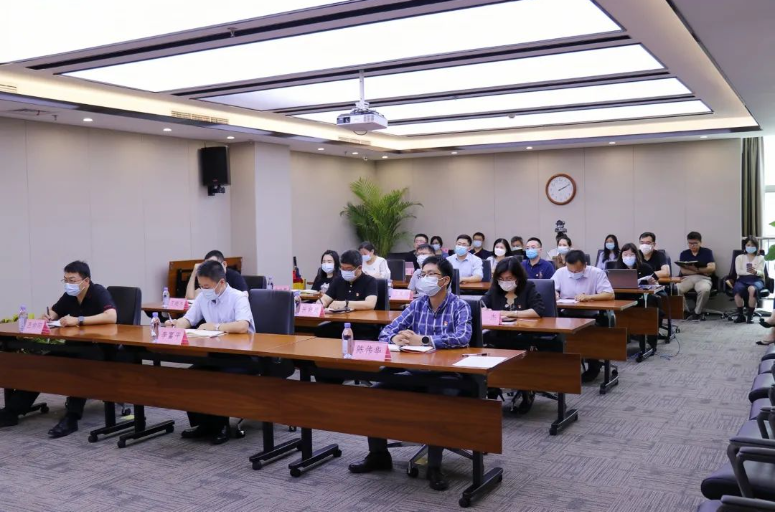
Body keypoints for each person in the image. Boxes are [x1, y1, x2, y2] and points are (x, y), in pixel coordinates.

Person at [348, 256, 471, 492]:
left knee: (435, 403)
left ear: (445, 280)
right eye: (422, 274)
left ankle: (434, 466)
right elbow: (386, 331)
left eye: (431, 274)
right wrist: (395, 337)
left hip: (445, 375)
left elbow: (462, 336)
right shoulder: (417, 304)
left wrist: (423, 340)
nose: (424, 278)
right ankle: (379, 455)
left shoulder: (460, 306)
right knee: (373, 396)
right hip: (414, 371)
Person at [0, 261, 117, 436]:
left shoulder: (98, 292)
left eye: (72, 280)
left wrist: (78, 320)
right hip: (73, 346)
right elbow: (54, 312)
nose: (69, 284)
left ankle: (72, 417)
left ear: (86, 281)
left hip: (98, 348)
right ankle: (11, 412)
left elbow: (112, 316)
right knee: (43, 366)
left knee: (80, 369)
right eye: (65, 280)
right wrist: (47, 317)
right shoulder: (70, 295)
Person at [166, 261, 255, 445]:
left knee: (217, 379)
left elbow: (242, 325)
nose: (203, 290)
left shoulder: (238, 297)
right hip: (215, 354)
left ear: (221, 282)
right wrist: (175, 324)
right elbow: (188, 319)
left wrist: (215, 326)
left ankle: (221, 426)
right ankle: (203, 425)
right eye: (201, 286)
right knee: (191, 377)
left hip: (241, 357)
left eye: (206, 287)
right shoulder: (203, 298)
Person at [481, 257, 546, 412]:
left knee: (520, 347)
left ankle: (526, 390)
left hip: (522, 334)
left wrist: (512, 313)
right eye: (502, 279)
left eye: (509, 278)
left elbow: (538, 310)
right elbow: (481, 305)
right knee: (486, 345)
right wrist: (485, 310)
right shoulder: (495, 289)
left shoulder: (528, 287)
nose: (505, 282)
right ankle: (492, 387)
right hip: (498, 335)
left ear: (518, 277)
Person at [552, 250, 614, 382]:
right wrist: (555, 293)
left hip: (591, 315)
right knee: (554, 333)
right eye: (571, 270)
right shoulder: (560, 272)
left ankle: (593, 366)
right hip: (566, 314)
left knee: (590, 335)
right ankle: (563, 366)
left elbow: (609, 294)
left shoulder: (596, 273)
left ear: (585, 265)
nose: (574, 273)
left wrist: (589, 297)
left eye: (577, 270)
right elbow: (551, 288)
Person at [319, 250, 379, 340]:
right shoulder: (338, 280)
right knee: (320, 331)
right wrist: (318, 307)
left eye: (348, 269)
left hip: (362, 325)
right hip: (340, 323)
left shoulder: (370, 281)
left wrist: (345, 304)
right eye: (342, 268)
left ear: (359, 267)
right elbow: (324, 300)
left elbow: (370, 304)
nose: (345, 271)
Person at [676, 231, 716, 321]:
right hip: (687, 278)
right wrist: (702, 270)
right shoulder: (684, 253)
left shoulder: (707, 252)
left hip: (704, 278)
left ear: (700, 243)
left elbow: (712, 268)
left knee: (704, 290)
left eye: (695, 243)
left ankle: (697, 312)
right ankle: (685, 311)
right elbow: (683, 271)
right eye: (690, 243)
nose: (692, 246)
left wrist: (695, 270)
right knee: (676, 288)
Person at [732, 237, 765, 324]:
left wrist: (755, 272)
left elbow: (761, 272)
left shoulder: (761, 258)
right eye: (748, 245)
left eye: (753, 245)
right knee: (737, 289)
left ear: (756, 246)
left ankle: (750, 316)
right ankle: (741, 315)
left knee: (752, 289)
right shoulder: (739, 257)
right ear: (745, 246)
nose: (750, 247)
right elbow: (738, 272)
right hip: (742, 279)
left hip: (757, 279)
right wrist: (751, 272)